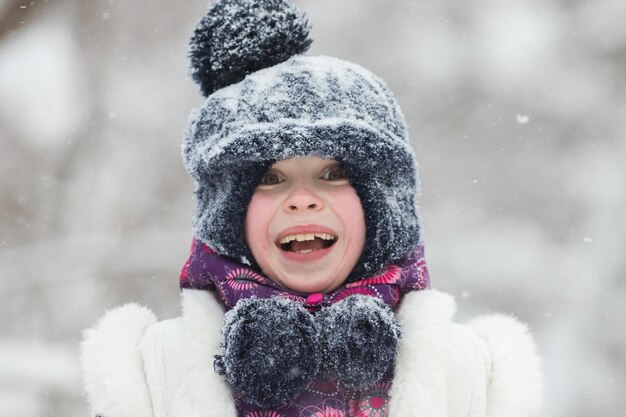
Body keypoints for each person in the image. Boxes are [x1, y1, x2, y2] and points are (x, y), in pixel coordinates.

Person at [81, 1, 542, 416]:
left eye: (333, 174)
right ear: (230, 216)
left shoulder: (468, 378)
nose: (302, 199)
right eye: (270, 179)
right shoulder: (153, 377)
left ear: (380, 209)